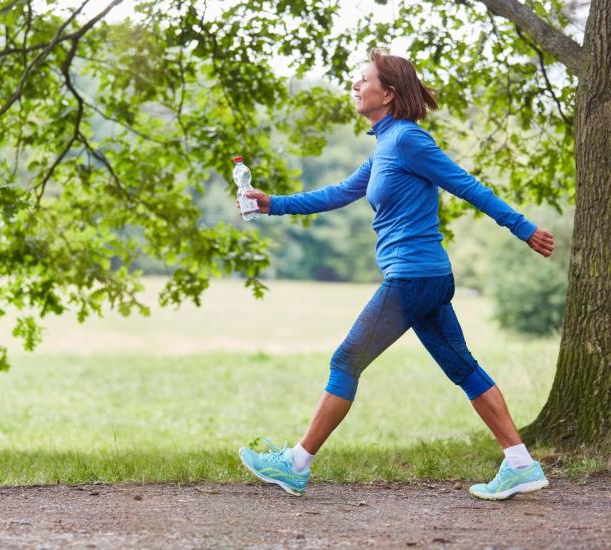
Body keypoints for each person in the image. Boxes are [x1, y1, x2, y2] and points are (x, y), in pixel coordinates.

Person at [236, 49, 555, 501]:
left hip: (412, 278)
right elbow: (340, 193)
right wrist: (273, 204)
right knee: (462, 367)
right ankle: (521, 463)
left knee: (346, 360)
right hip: (424, 278)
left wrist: (522, 228)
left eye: (363, 79)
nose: (355, 85)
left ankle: (296, 464)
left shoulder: (408, 140)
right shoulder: (385, 145)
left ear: (387, 93)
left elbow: (465, 184)